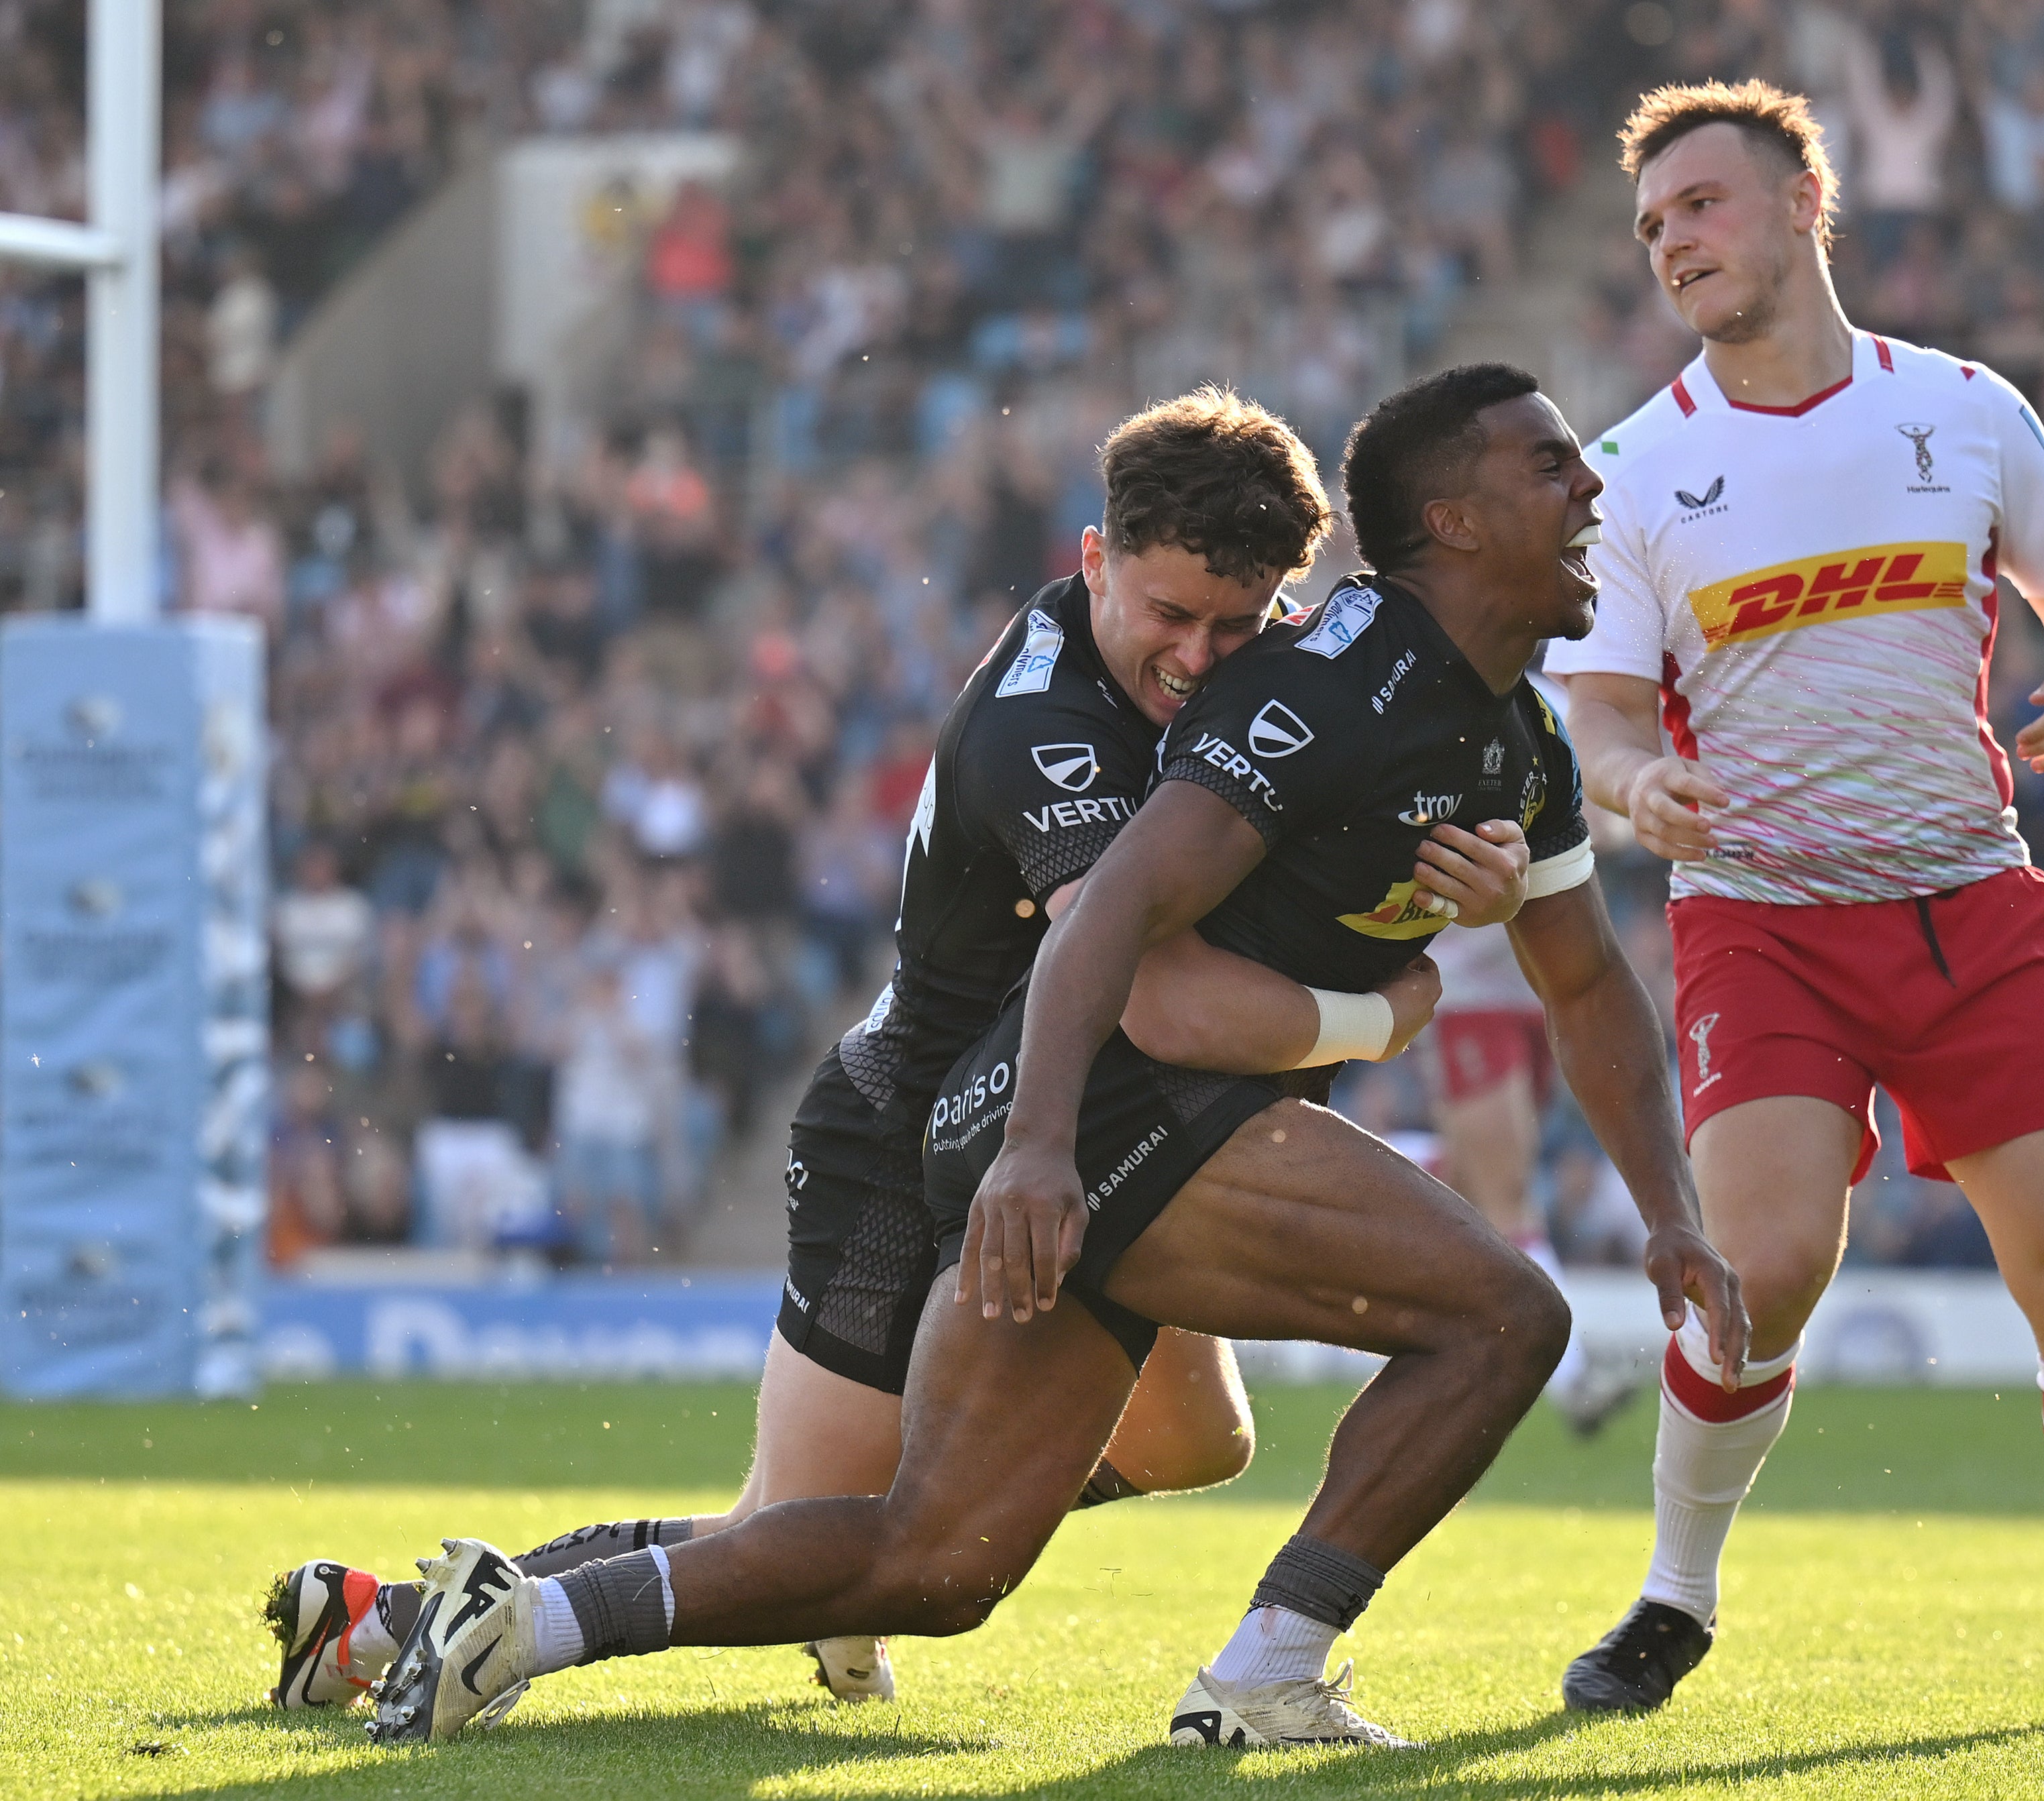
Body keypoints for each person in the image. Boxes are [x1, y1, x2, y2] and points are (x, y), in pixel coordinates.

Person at [367, 364, 1744, 1753]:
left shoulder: (1490, 728)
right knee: (1504, 1316)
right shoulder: (1168, 704)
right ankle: (1269, 1669)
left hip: (1067, 1108)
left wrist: (1671, 1209)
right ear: (1449, 519)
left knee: (938, 1558)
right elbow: (1136, 970)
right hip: (976, 1114)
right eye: (1552, 465)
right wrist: (1383, 1013)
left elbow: (1586, 979)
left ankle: (511, 1622)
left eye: (1239, 618)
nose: (1210, 656)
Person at [1544, 81, 2044, 1726]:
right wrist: (1629, 784)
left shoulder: (1966, 411)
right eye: (1652, 228)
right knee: (1758, 1264)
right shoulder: (1630, 471)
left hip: (1966, 900)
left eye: (1701, 204)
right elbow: (1602, 708)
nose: (1673, 242)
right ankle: (1674, 1598)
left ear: (1803, 199)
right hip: (1758, 913)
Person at [1428, 917, 1639, 1433]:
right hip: (1472, 992)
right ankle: (1574, 1379)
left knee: (1467, 1192)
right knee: (1506, 1201)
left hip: (1537, 992)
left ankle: (1439, 1369)